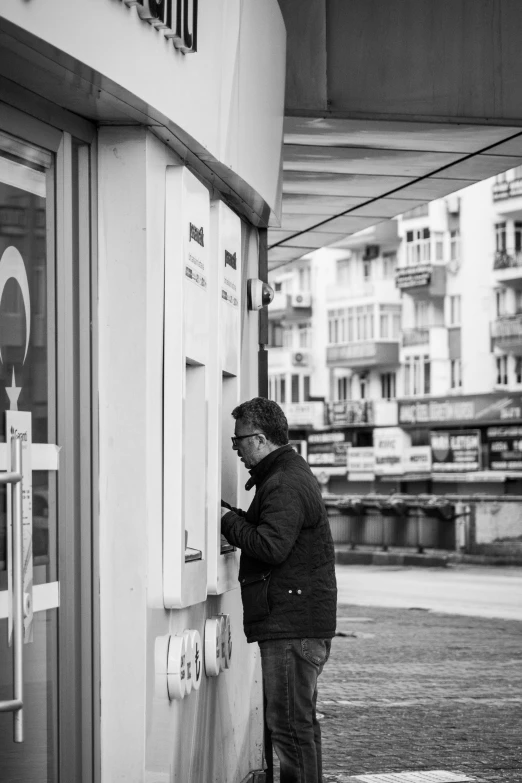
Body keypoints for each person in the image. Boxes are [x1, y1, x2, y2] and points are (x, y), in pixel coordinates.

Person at [220, 397, 337, 783]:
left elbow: (271, 546)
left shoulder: (284, 481)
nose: (234, 447)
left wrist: (225, 522)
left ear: (260, 438)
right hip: (298, 622)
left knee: (289, 726)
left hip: (292, 626)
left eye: (238, 440)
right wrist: (235, 517)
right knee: (297, 725)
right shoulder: (285, 474)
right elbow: (271, 531)